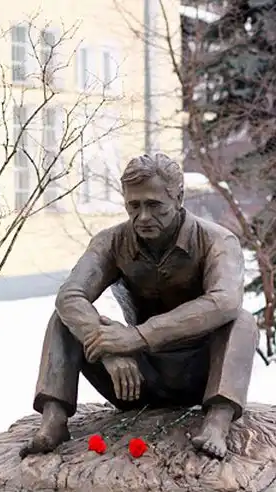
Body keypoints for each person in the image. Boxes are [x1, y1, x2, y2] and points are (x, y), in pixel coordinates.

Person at [20, 153, 258, 460]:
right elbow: (70, 295)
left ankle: (217, 422)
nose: (143, 216)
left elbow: (224, 300)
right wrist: (109, 349)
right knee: (64, 318)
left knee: (241, 320)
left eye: (154, 205)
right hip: (134, 380)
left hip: (200, 376)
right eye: (134, 206)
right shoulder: (111, 241)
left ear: (179, 198)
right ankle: (54, 419)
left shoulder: (217, 241)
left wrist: (138, 336)